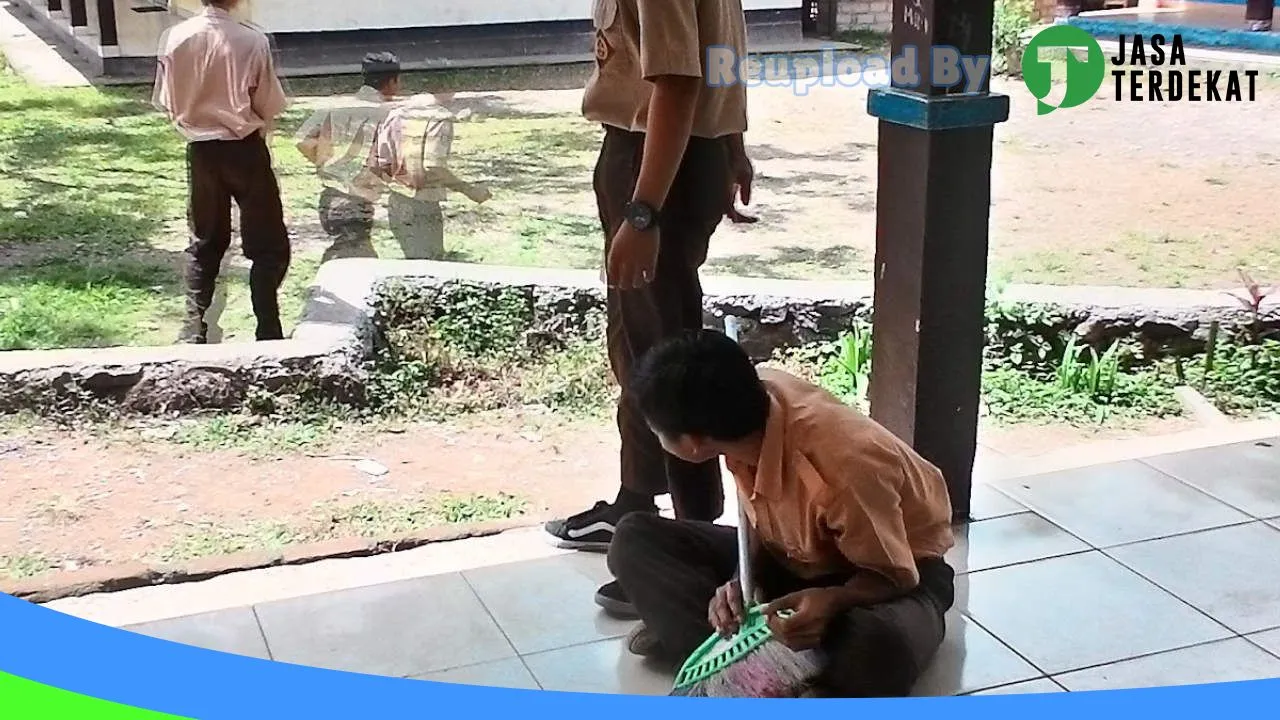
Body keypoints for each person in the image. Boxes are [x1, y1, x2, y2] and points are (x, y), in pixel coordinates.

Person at [541, 0, 757, 619]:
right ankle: (636, 502)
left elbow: (680, 79)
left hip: (654, 162)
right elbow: (719, 56)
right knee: (643, 343)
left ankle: (697, 543)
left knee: (663, 353)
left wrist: (643, 213)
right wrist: (731, 146)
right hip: (689, 152)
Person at [607, 329, 956, 698]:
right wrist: (740, 577)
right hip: (792, 556)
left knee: (875, 645)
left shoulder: (844, 469)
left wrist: (833, 600)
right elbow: (759, 510)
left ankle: (733, 651)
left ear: (693, 444)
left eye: (657, 431)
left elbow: (895, 574)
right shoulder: (751, 401)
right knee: (634, 539)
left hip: (887, 575)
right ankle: (761, 657)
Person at [153, 0, 291, 344]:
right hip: (244, 147)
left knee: (205, 243)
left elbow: (165, 100)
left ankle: (193, 328)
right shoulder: (252, 39)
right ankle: (268, 328)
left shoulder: (174, 37)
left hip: (201, 151)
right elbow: (269, 103)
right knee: (268, 245)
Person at [296, 52, 403, 263]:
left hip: (329, 196)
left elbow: (302, 140)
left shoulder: (337, 105)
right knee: (355, 260)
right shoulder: (388, 114)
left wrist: (326, 163)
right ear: (392, 81)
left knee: (352, 252)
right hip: (357, 200)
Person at [372, 91, 491, 260]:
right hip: (423, 206)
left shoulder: (397, 113)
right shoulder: (439, 118)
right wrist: (470, 190)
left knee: (413, 265)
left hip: (396, 202)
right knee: (429, 267)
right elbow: (433, 166)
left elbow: (379, 160)